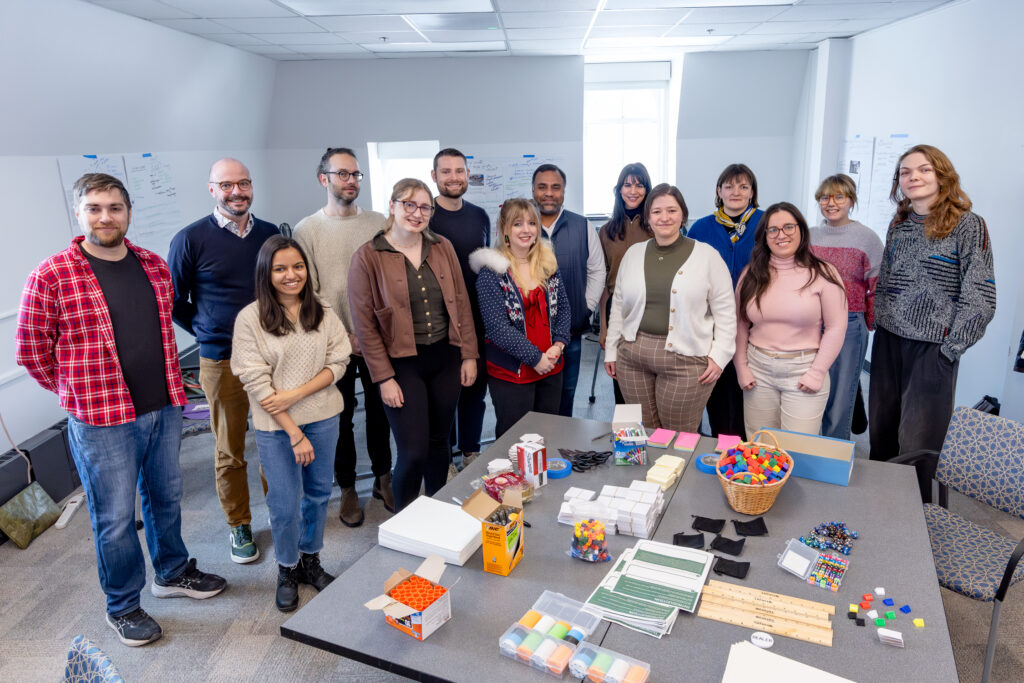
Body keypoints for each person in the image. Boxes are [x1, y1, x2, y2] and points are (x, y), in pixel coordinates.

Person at [16, 173, 225, 647]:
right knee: (113, 519)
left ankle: (171, 573)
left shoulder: (152, 265)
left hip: (164, 407)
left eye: (114, 207)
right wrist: (76, 394)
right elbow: (31, 352)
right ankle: (123, 606)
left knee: (166, 498)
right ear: (79, 213)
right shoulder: (51, 274)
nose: (105, 217)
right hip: (100, 421)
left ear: (127, 211)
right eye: (94, 208)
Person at [231, 236, 351, 612]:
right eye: (280, 268)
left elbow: (339, 361)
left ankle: (310, 561)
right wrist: (294, 432)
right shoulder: (250, 319)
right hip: (276, 428)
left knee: (317, 495)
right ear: (266, 273)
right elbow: (257, 384)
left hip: (324, 417)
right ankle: (287, 568)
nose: (291, 275)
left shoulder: (324, 311)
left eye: (297, 266)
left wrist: (295, 394)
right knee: (284, 504)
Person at [169, 158, 278, 564]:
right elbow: (174, 301)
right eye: (227, 185)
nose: (238, 192)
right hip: (221, 359)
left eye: (244, 183)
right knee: (230, 449)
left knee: (274, 441)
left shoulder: (268, 234)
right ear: (212, 189)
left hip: (271, 358)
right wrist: (205, 329)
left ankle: (280, 512)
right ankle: (239, 524)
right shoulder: (190, 239)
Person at [869, 145, 995, 493]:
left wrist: (951, 349)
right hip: (888, 341)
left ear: (942, 175)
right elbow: (888, 280)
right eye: (906, 172)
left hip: (933, 347)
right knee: (881, 435)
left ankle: (915, 521)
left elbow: (981, 294)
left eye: (923, 170)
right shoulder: (900, 224)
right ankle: (878, 507)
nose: (914, 177)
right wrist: (880, 323)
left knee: (918, 444)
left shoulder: (968, 225)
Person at [347, 179, 478, 511]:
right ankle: (404, 519)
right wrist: (383, 377)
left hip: (446, 356)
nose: (416, 213)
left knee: (439, 445)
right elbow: (365, 326)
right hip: (402, 364)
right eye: (408, 204)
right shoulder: (368, 256)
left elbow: (461, 302)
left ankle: (435, 511)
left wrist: (469, 355)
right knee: (414, 451)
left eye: (424, 207)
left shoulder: (442, 246)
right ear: (392, 205)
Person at [293, 147, 393, 527]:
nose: (351, 181)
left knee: (384, 410)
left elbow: (388, 278)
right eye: (342, 174)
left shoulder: (378, 223)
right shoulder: (307, 230)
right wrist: (346, 337)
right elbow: (308, 290)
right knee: (340, 416)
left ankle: (384, 478)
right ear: (324, 179)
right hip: (333, 344)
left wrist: (370, 333)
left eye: (355, 175)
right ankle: (348, 488)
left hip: (378, 338)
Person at [604, 184, 735, 432]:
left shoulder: (708, 256)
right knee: (644, 432)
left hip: (685, 359)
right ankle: (650, 473)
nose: (664, 217)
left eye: (672, 210)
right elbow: (618, 305)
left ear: (683, 215)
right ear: (648, 218)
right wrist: (612, 350)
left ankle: (676, 472)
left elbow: (726, 313)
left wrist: (719, 356)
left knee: (678, 436)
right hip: (633, 357)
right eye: (656, 212)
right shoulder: (633, 254)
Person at [734, 202, 847, 438]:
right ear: (764, 236)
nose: (781, 235)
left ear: (801, 231)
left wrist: (817, 372)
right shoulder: (751, 274)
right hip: (758, 370)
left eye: (788, 227)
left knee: (797, 449)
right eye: (772, 230)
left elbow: (836, 327)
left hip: (804, 370)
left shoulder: (824, 273)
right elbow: (740, 324)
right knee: (760, 446)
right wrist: (741, 367)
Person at [470, 199, 570, 438]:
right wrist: (536, 358)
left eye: (531, 223)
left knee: (548, 434)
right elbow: (497, 328)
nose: (526, 230)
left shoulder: (547, 264)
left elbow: (564, 308)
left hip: (551, 366)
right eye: (517, 224)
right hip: (513, 373)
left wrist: (559, 344)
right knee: (515, 440)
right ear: (504, 229)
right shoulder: (491, 273)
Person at [688, 163, 763, 437]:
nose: (736, 192)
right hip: (711, 324)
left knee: (747, 389)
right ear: (719, 191)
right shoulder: (701, 228)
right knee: (716, 386)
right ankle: (720, 444)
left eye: (743, 186)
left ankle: (745, 448)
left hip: (754, 323)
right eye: (729, 186)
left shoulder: (766, 223)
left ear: (752, 191)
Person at [808, 174, 883, 441]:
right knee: (809, 387)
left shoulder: (867, 239)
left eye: (839, 196)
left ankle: (833, 451)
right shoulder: (811, 235)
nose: (831, 203)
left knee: (841, 394)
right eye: (824, 197)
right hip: (811, 321)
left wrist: (868, 323)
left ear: (851, 200)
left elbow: (876, 286)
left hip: (850, 322)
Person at [428, 148, 490, 468]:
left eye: (459, 171)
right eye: (446, 171)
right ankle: (446, 457)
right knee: (443, 395)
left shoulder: (480, 216)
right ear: (434, 176)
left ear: (467, 174)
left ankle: (470, 451)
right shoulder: (426, 216)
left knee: (474, 390)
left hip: (476, 319)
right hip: (438, 323)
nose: (454, 177)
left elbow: (485, 267)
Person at [532, 164, 605, 417]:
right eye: (542, 187)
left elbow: (597, 269)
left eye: (556, 187)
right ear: (533, 190)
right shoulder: (521, 225)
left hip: (570, 332)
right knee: (533, 397)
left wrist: (587, 308)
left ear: (564, 191)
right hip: (529, 335)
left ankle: (560, 449)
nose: (549, 193)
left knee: (567, 392)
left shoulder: (582, 225)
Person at [598, 163, 654, 405]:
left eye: (639, 185)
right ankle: (628, 442)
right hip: (617, 310)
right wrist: (603, 326)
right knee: (622, 385)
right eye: (627, 184)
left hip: (653, 310)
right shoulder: (607, 231)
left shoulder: (657, 228)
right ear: (619, 190)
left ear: (647, 190)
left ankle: (656, 439)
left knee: (651, 382)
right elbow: (603, 281)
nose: (633, 190)